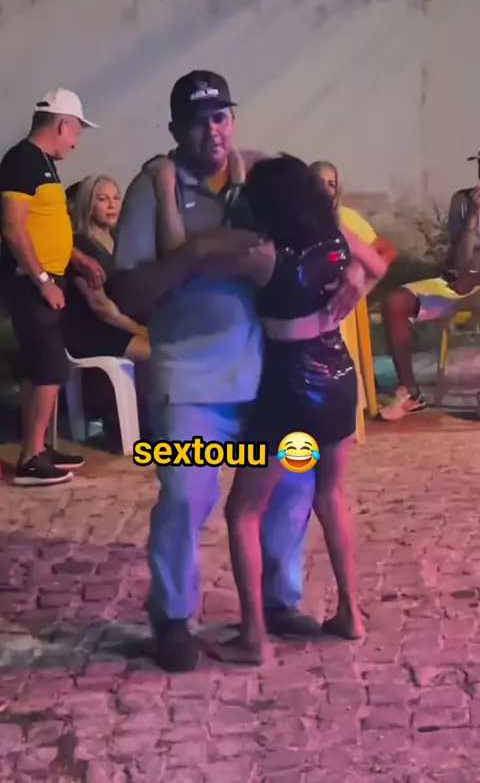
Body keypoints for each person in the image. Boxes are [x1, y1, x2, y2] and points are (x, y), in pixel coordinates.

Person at [113, 70, 332, 673]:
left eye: (220, 117)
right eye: (196, 121)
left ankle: (278, 601)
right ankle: (172, 617)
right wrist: (190, 257)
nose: (211, 130)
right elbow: (129, 294)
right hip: (191, 380)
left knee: (293, 485)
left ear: (232, 119)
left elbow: (321, 239)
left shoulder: (259, 178)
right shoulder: (150, 190)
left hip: (272, 377)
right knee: (186, 495)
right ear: (174, 129)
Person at [204, 155, 388, 665]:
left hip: (286, 384)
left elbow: (191, 260)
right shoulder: (338, 238)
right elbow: (379, 265)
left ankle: (255, 637)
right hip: (337, 376)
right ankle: (350, 613)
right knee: (331, 495)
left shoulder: (261, 255)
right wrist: (355, 275)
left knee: (244, 510)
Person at [0, 89, 105, 486]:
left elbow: (45, 225)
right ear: (63, 125)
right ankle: (31, 458)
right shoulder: (23, 161)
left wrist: (76, 258)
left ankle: (38, 446)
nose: (76, 141)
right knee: (49, 366)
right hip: (29, 280)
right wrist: (43, 281)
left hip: (44, 277)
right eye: (76, 130)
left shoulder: (42, 163)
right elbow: (14, 228)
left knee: (40, 366)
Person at [380, 154, 480, 420]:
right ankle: (410, 393)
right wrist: (472, 220)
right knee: (395, 302)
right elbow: (460, 261)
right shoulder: (464, 201)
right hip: (459, 283)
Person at [63, 175, 150, 363]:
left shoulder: (120, 241)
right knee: (164, 352)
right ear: (88, 204)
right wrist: (143, 331)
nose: (112, 205)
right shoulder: (80, 245)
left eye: (116, 198)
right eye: (102, 199)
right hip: (94, 329)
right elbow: (101, 307)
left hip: (121, 322)